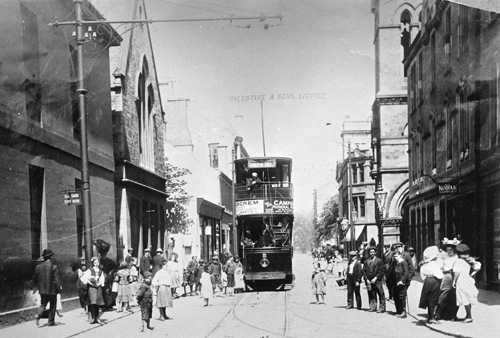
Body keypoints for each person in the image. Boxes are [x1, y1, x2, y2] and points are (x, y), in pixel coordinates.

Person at [32, 249, 61, 327]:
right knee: (53, 305)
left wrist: (39, 286)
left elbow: (35, 279)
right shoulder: (54, 267)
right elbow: (57, 280)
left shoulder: (38, 267)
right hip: (52, 290)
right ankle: (51, 322)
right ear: (50, 257)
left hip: (42, 290)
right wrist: (59, 289)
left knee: (43, 304)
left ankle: (38, 314)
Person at [454, 244, 480, 323]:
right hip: (468, 280)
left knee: (464, 297)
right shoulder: (469, 260)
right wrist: (471, 274)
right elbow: (478, 267)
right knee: (468, 297)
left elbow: (456, 272)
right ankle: (468, 315)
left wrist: (454, 281)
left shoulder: (458, 261)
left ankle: (469, 316)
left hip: (461, 280)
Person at [435, 238, 459, 321]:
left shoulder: (456, 257)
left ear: (454, 250)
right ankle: (439, 313)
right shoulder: (444, 256)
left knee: (453, 296)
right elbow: (440, 266)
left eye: (451, 250)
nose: (449, 251)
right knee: (444, 293)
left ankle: (452, 315)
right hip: (446, 276)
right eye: (447, 250)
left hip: (454, 276)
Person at [418, 246, 443, 324]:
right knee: (433, 298)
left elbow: (422, 276)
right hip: (434, 281)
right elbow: (440, 275)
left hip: (427, 281)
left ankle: (430, 316)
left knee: (429, 298)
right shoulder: (435, 264)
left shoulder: (424, 265)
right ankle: (432, 318)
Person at [81, 256, 105, 324]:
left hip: (98, 288)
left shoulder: (100, 271)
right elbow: (84, 278)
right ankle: (92, 318)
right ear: (93, 263)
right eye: (95, 262)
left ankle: (97, 318)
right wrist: (90, 282)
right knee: (92, 303)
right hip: (92, 288)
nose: (96, 264)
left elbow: (102, 279)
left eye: (97, 262)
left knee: (97, 303)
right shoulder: (90, 270)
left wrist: (99, 283)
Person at [362, 246, 386, 313]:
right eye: (370, 252)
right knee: (371, 294)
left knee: (380, 293)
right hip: (369, 281)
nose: (372, 253)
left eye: (373, 252)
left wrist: (375, 278)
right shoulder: (366, 261)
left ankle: (382, 308)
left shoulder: (379, 261)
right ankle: (373, 307)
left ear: (375, 253)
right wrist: (366, 279)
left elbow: (381, 271)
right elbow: (364, 271)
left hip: (377, 280)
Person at [393, 251, 410, 318]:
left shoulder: (403, 262)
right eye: (394, 256)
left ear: (400, 255)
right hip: (396, 283)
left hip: (401, 283)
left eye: (396, 256)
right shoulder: (396, 263)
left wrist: (402, 280)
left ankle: (404, 312)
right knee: (396, 297)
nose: (395, 258)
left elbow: (406, 273)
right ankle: (399, 311)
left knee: (402, 297)